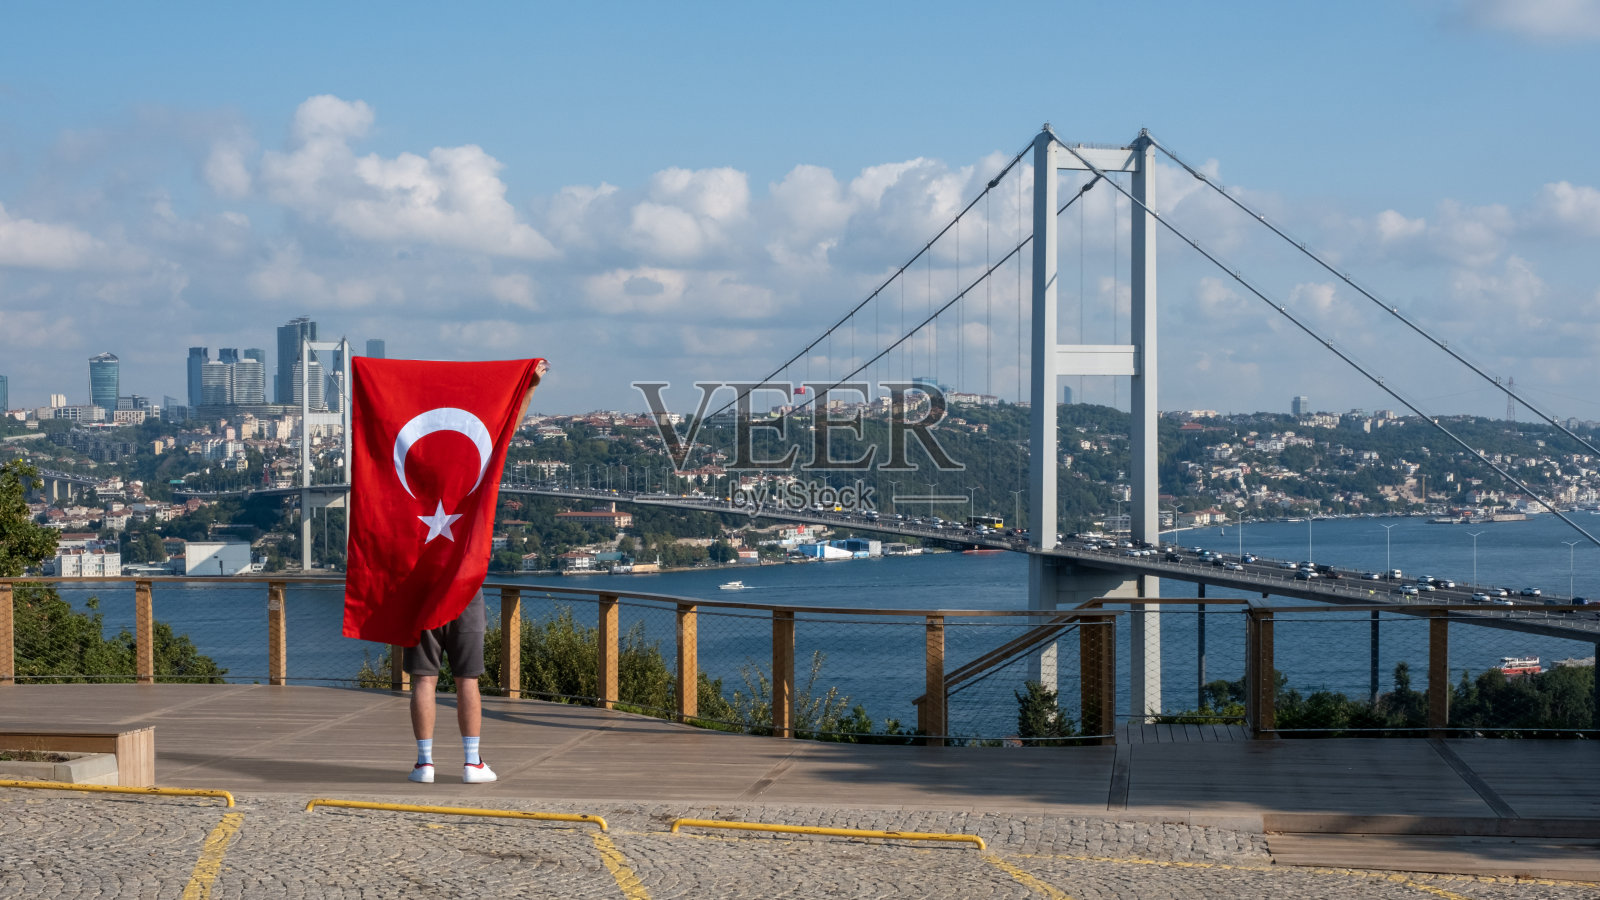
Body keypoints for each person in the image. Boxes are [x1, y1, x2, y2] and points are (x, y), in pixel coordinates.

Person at [407, 358, 547, 784]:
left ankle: (424, 764)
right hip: (465, 590)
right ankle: (472, 763)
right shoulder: (476, 471)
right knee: (468, 679)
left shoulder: (412, 475)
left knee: (423, 679)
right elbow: (503, 434)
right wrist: (529, 388)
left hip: (421, 589)